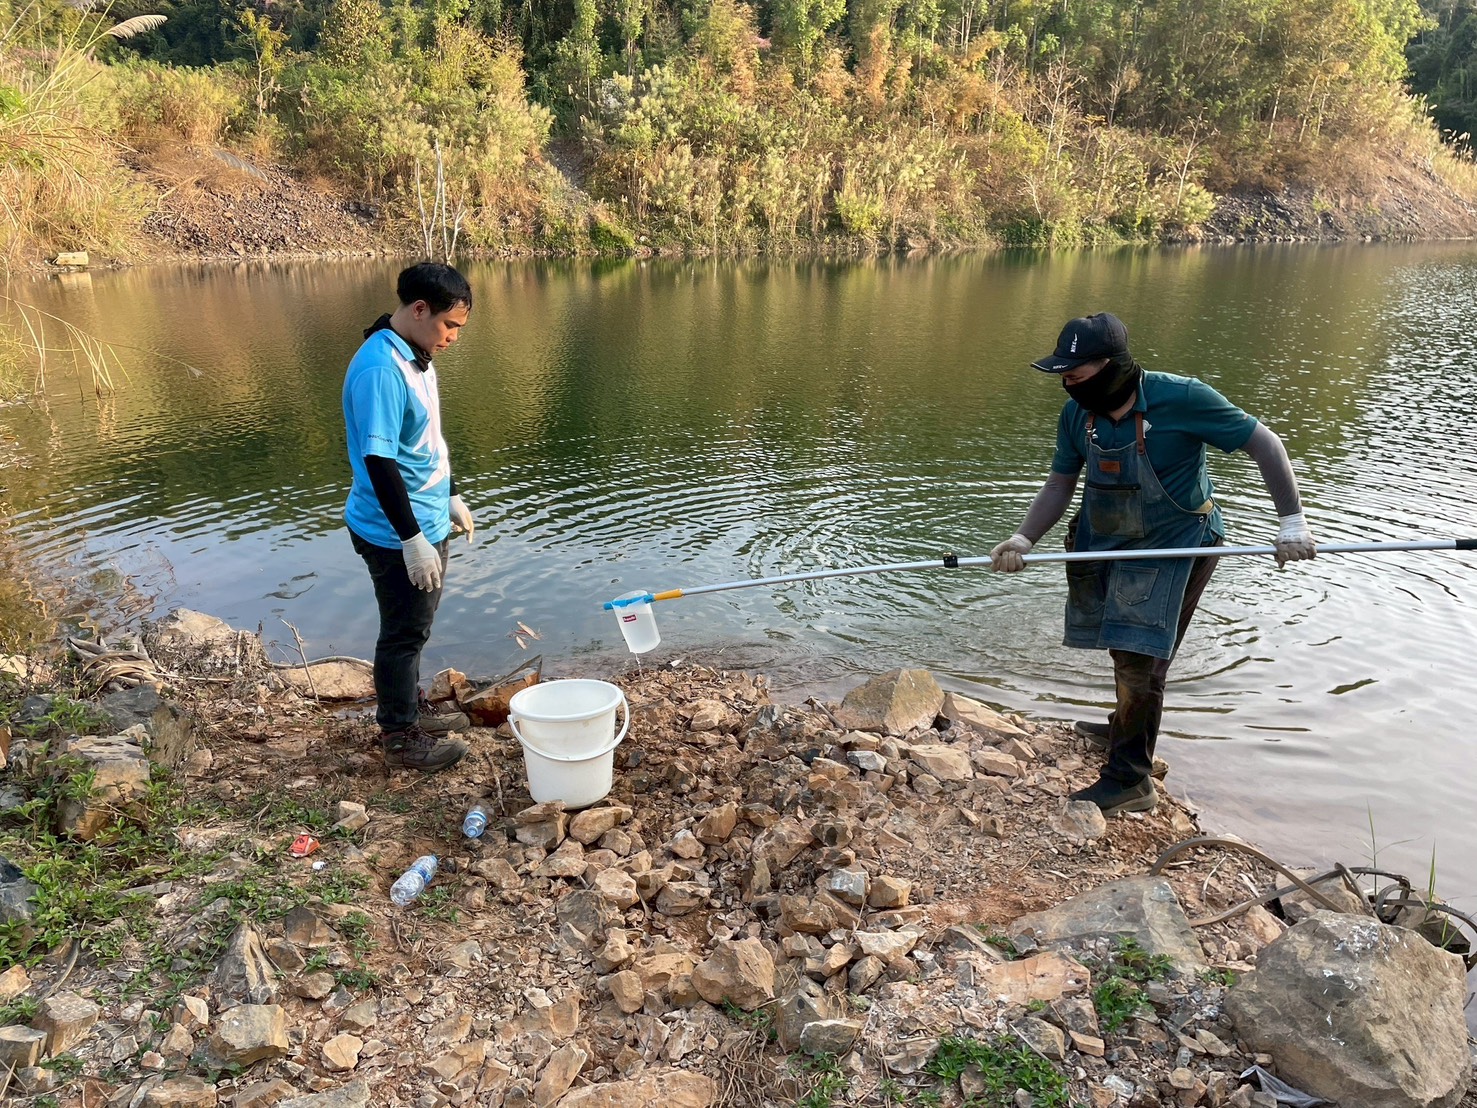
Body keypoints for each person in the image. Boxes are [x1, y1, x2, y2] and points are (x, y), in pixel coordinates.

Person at [989, 312, 1316, 816]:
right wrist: (1023, 537)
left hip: (1178, 542)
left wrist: (1291, 521)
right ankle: (1128, 726)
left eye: (1075, 372)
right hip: (1107, 538)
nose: (1067, 382)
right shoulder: (1077, 415)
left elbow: (1264, 443)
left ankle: (1129, 778)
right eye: (1063, 374)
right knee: (1123, 647)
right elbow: (1060, 483)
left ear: (1112, 366)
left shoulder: (1182, 397)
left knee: (1142, 656)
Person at [343, 263, 478, 772]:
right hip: (394, 529)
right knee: (402, 633)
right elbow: (379, 461)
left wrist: (450, 495)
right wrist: (411, 538)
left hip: (425, 513)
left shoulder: (415, 354)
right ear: (419, 310)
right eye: (450, 326)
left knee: (414, 628)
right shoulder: (382, 369)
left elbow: (425, 443)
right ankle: (400, 737)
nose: (454, 338)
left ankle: (408, 705)